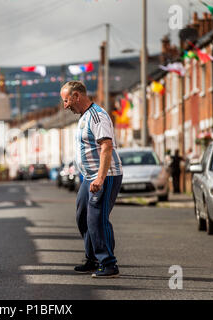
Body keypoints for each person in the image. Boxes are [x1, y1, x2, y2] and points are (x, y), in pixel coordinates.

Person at [60, 81, 123, 278]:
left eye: (66, 100)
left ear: (77, 96)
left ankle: (108, 263)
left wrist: (100, 178)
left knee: (96, 219)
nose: (65, 105)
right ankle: (92, 259)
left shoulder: (97, 116)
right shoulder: (84, 117)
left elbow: (106, 146)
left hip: (105, 176)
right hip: (89, 177)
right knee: (82, 217)